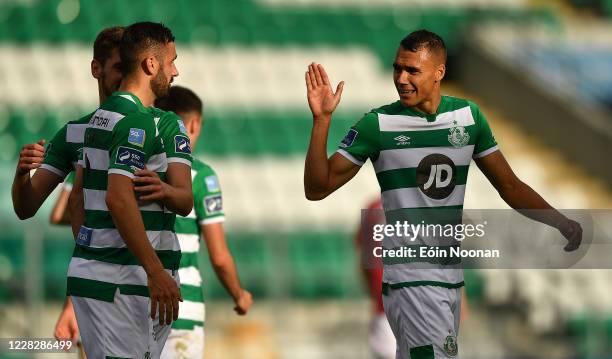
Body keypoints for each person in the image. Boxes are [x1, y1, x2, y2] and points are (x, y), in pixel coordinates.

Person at [304, 29, 582, 358]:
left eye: (412, 70)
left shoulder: (468, 118)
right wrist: (321, 121)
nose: (402, 78)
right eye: (397, 68)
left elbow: (509, 185)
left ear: (439, 73)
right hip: (412, 276)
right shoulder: (377, 124)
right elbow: (317, 189)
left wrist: (561, 222)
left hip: (449, 275)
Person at [67, 22, 192, 358]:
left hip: (106, 273)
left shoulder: (94, 121)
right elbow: (118, 197)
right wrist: (155, 271)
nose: (176, 69)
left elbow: (78, 197)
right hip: (123, 279)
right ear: (151, 64)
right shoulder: (139, 121)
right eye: (172, 60)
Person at [156, 86, 253, 358]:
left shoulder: (135, 168)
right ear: (194, 123)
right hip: (181, 311)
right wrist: (239, 294)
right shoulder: (200, 176)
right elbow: (219, 257)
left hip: (135, 304)